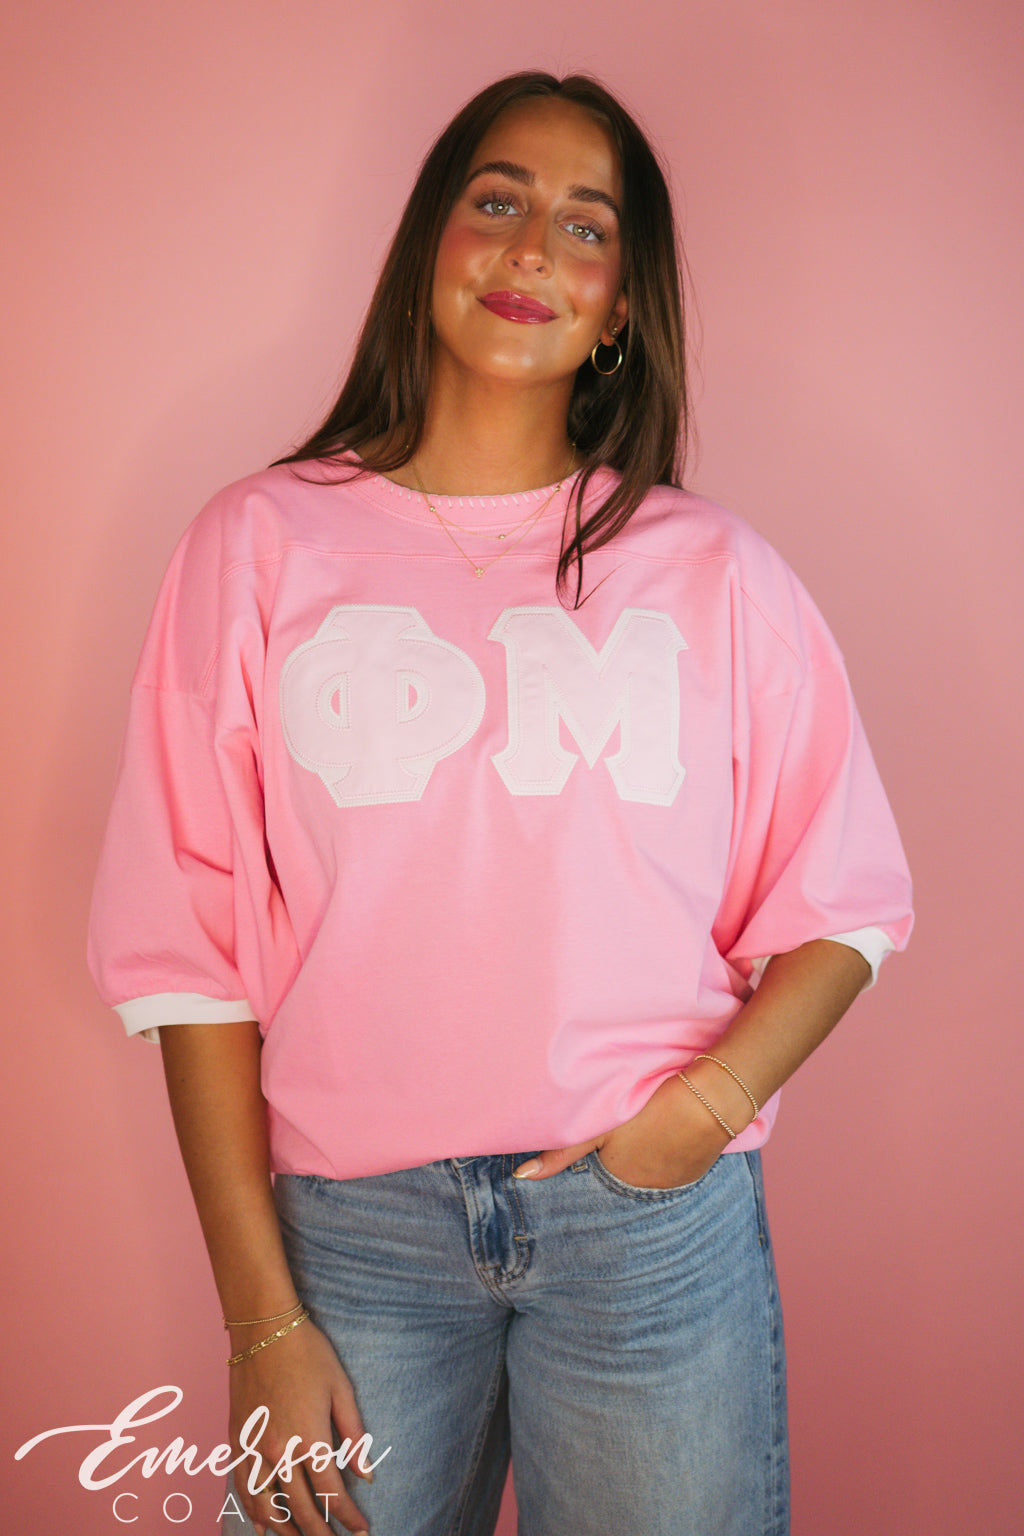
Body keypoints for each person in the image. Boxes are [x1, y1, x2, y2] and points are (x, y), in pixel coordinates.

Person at [88, 71, 913, 1536]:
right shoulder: (259, 545)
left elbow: (845, 906)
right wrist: (260, 1319)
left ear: (621, 308)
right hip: (355, 1240)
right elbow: (188, 959)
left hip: (649, 1226)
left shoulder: (715, 572)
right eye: (498, 201)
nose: (533, 246)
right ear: (431, 244)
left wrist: (700, 1115)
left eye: (586, 227)